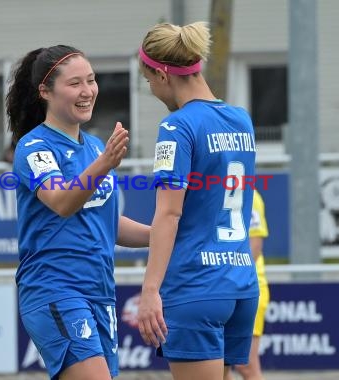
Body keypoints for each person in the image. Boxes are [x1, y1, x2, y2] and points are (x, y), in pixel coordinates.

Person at [6, 45, 150, 380]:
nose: (87, 91)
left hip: (99, 292)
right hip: (55, 290)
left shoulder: (97, 147)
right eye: (75, 84)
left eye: (91, 80)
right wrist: (103, 165)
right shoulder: (35, 147)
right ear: (45, 91)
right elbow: (61, 202)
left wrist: (169, 234)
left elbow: (109, 225)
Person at [136, 22, 259, 380]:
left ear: (161, 74)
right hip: (239, 283)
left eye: (148, 82)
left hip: (195, 285)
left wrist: (150, 289)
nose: (153, 91)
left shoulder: (177, 127)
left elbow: (169, 213)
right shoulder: (242, 120)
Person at [228, 189, 270, 380]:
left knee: (246, 366)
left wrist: (230, 278)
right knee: (218, 365)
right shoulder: (216, 189)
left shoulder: (249, 194)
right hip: (225, 286)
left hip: (249, 286)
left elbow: (255, 245)